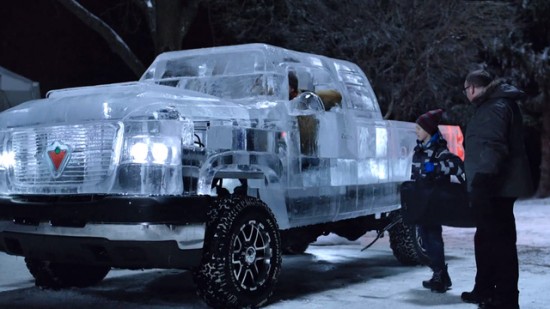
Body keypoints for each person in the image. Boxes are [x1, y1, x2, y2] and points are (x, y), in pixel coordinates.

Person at [461, 69, 534, 309]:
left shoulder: (494, 107)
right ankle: (484, 289)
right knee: (486, 238)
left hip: (494, 186)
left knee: (499, 242)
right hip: (495, 185)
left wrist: (482, 181)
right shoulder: (496, 105)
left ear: (472, 88)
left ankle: (505, 299)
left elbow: (491, 146)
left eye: (466, 89)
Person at [412, 109, 466, 293]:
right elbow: (415, 177)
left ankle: (439, 277)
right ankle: (440, 273)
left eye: (419, 128)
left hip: (435, 203)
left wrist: (435, 168)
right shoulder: (419, 151)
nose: (416, 131)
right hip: (422, 202)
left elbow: (458, 166)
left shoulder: (439, 151)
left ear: (428, 130)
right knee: (425, 240)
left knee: (433, 238)